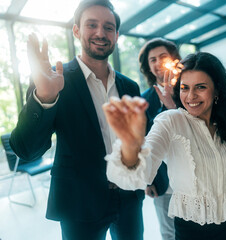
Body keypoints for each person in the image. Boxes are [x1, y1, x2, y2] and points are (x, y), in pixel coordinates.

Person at [103, 52, 226, 240]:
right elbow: (139, 176)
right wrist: (130, 145)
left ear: (217, 90)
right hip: (192, 233)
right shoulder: (171, 121)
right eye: (185, 88)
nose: (191, 96)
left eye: (200, 87)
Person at [10, 1, 144, 239]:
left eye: (108, 27)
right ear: (76, 30)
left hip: (129, 196)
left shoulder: (130, 86)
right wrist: (45, 97)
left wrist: (155, 179)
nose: (101, 33)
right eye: (91, 25)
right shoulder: (53, 80)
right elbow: (25, 150)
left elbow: (142, 139)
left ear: (116, 34)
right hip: (79, 202)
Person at [138, 38, 181, 240]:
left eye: (162, 57)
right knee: (169, 232)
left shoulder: (189, 90)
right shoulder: (145, 99)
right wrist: (147, 181)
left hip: (195, 174)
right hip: (163, 179)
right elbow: (143, 142)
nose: (157, 63)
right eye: (152, 59)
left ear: (173, 59)